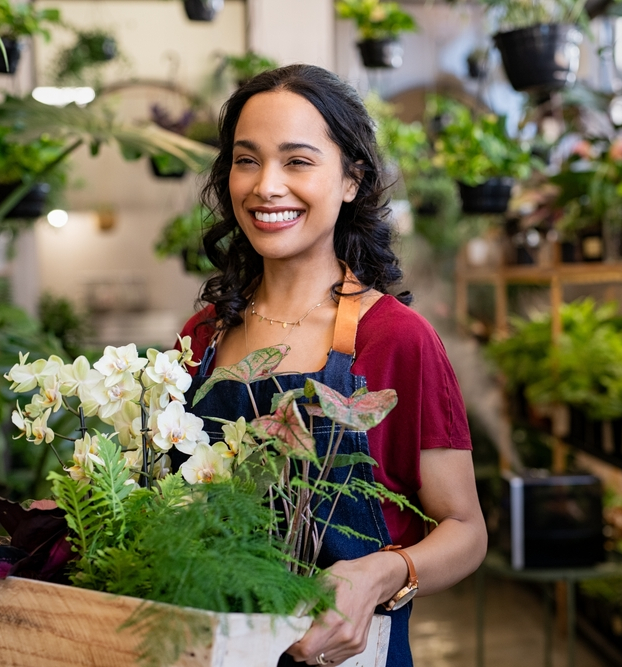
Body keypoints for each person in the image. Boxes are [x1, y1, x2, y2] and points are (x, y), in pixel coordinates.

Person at [175, 64, 487, 667]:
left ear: (350, 180)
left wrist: (382, 572)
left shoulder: (396, 338)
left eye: (297, 161)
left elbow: (466, 530)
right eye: (247, 160)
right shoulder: (204, 336)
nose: (267, 185)